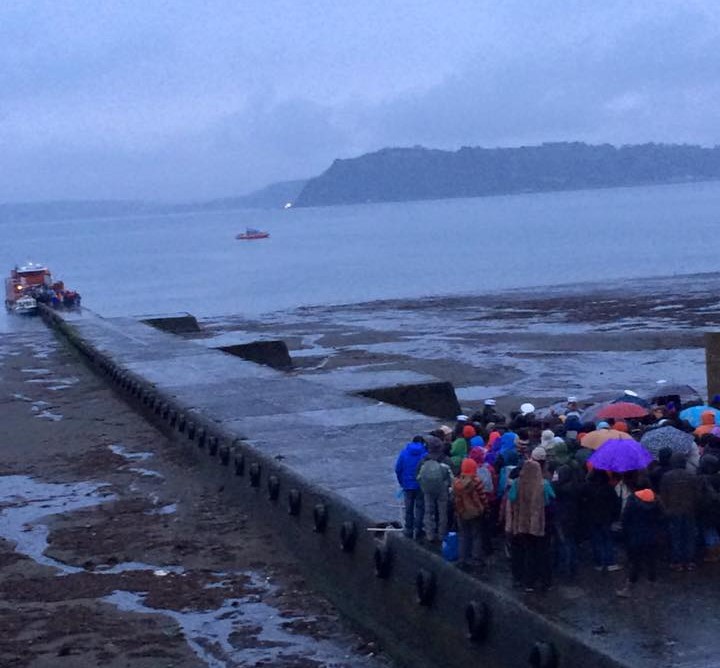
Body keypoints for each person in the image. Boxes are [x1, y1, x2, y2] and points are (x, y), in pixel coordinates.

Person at [506, 449, 555, 591]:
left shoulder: (517, 483)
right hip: (540, 523)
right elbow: (551, 502)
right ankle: (545, 581)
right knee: (543, 552)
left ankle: (528, 582)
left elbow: (512, 499)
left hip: (522, 523)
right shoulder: (544, 485)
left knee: (528, 552)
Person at [616, 481, 664, 597]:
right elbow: (662, 519)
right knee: (651, 563)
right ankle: (652, 590)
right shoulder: (656, 502)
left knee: (635, 563)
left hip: (636, 537)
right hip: (653, 537)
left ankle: (628, 589)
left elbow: (625, 519)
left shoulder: (632, 501)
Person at [660, 452, 702, 570]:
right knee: (689, 536)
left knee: (675, 536)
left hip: (673, 511)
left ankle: (677, 561)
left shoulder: (666, 476)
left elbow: (663, 495)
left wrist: (665, 509)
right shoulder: (692, 476)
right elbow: (697, 495)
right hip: (689, 510)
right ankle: (689, 561)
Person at [581, 469, 622, 572]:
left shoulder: (587, 487)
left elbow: (582, 501)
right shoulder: (609, 488)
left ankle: (599, 562)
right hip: (606, 518)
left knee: (596, 540)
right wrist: (615, 516)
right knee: (607, 539)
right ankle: (610, 562)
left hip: (592, 518)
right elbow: (616, 504)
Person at [416, 437, 453, 543]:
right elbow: (452, 476)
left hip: (427, 489)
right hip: (442, 489)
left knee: (428, 512)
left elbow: (418, 476)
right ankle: (442, 535)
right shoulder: (446, 460)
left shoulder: (424, 460)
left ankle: (429, 534)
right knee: (443, 512)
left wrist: (423, 486)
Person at [452, 458, 488, 568]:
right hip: (475, 512)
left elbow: (455, 498)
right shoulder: (477, 481)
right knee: (476, 535)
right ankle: (476, 559)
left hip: (461, 512)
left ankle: (462, 559)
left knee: (463, 535)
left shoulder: (456, 483)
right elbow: (483, 497)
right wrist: (485, 508)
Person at [394, 436, 427, 540]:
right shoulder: (424, 454)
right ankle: (419, 529)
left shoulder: (404, 453)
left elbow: (398, 469)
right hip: (420, 485)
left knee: (408, 508)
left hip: (407, 485)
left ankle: (408, 529)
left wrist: (401, 482)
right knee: (420, 507)